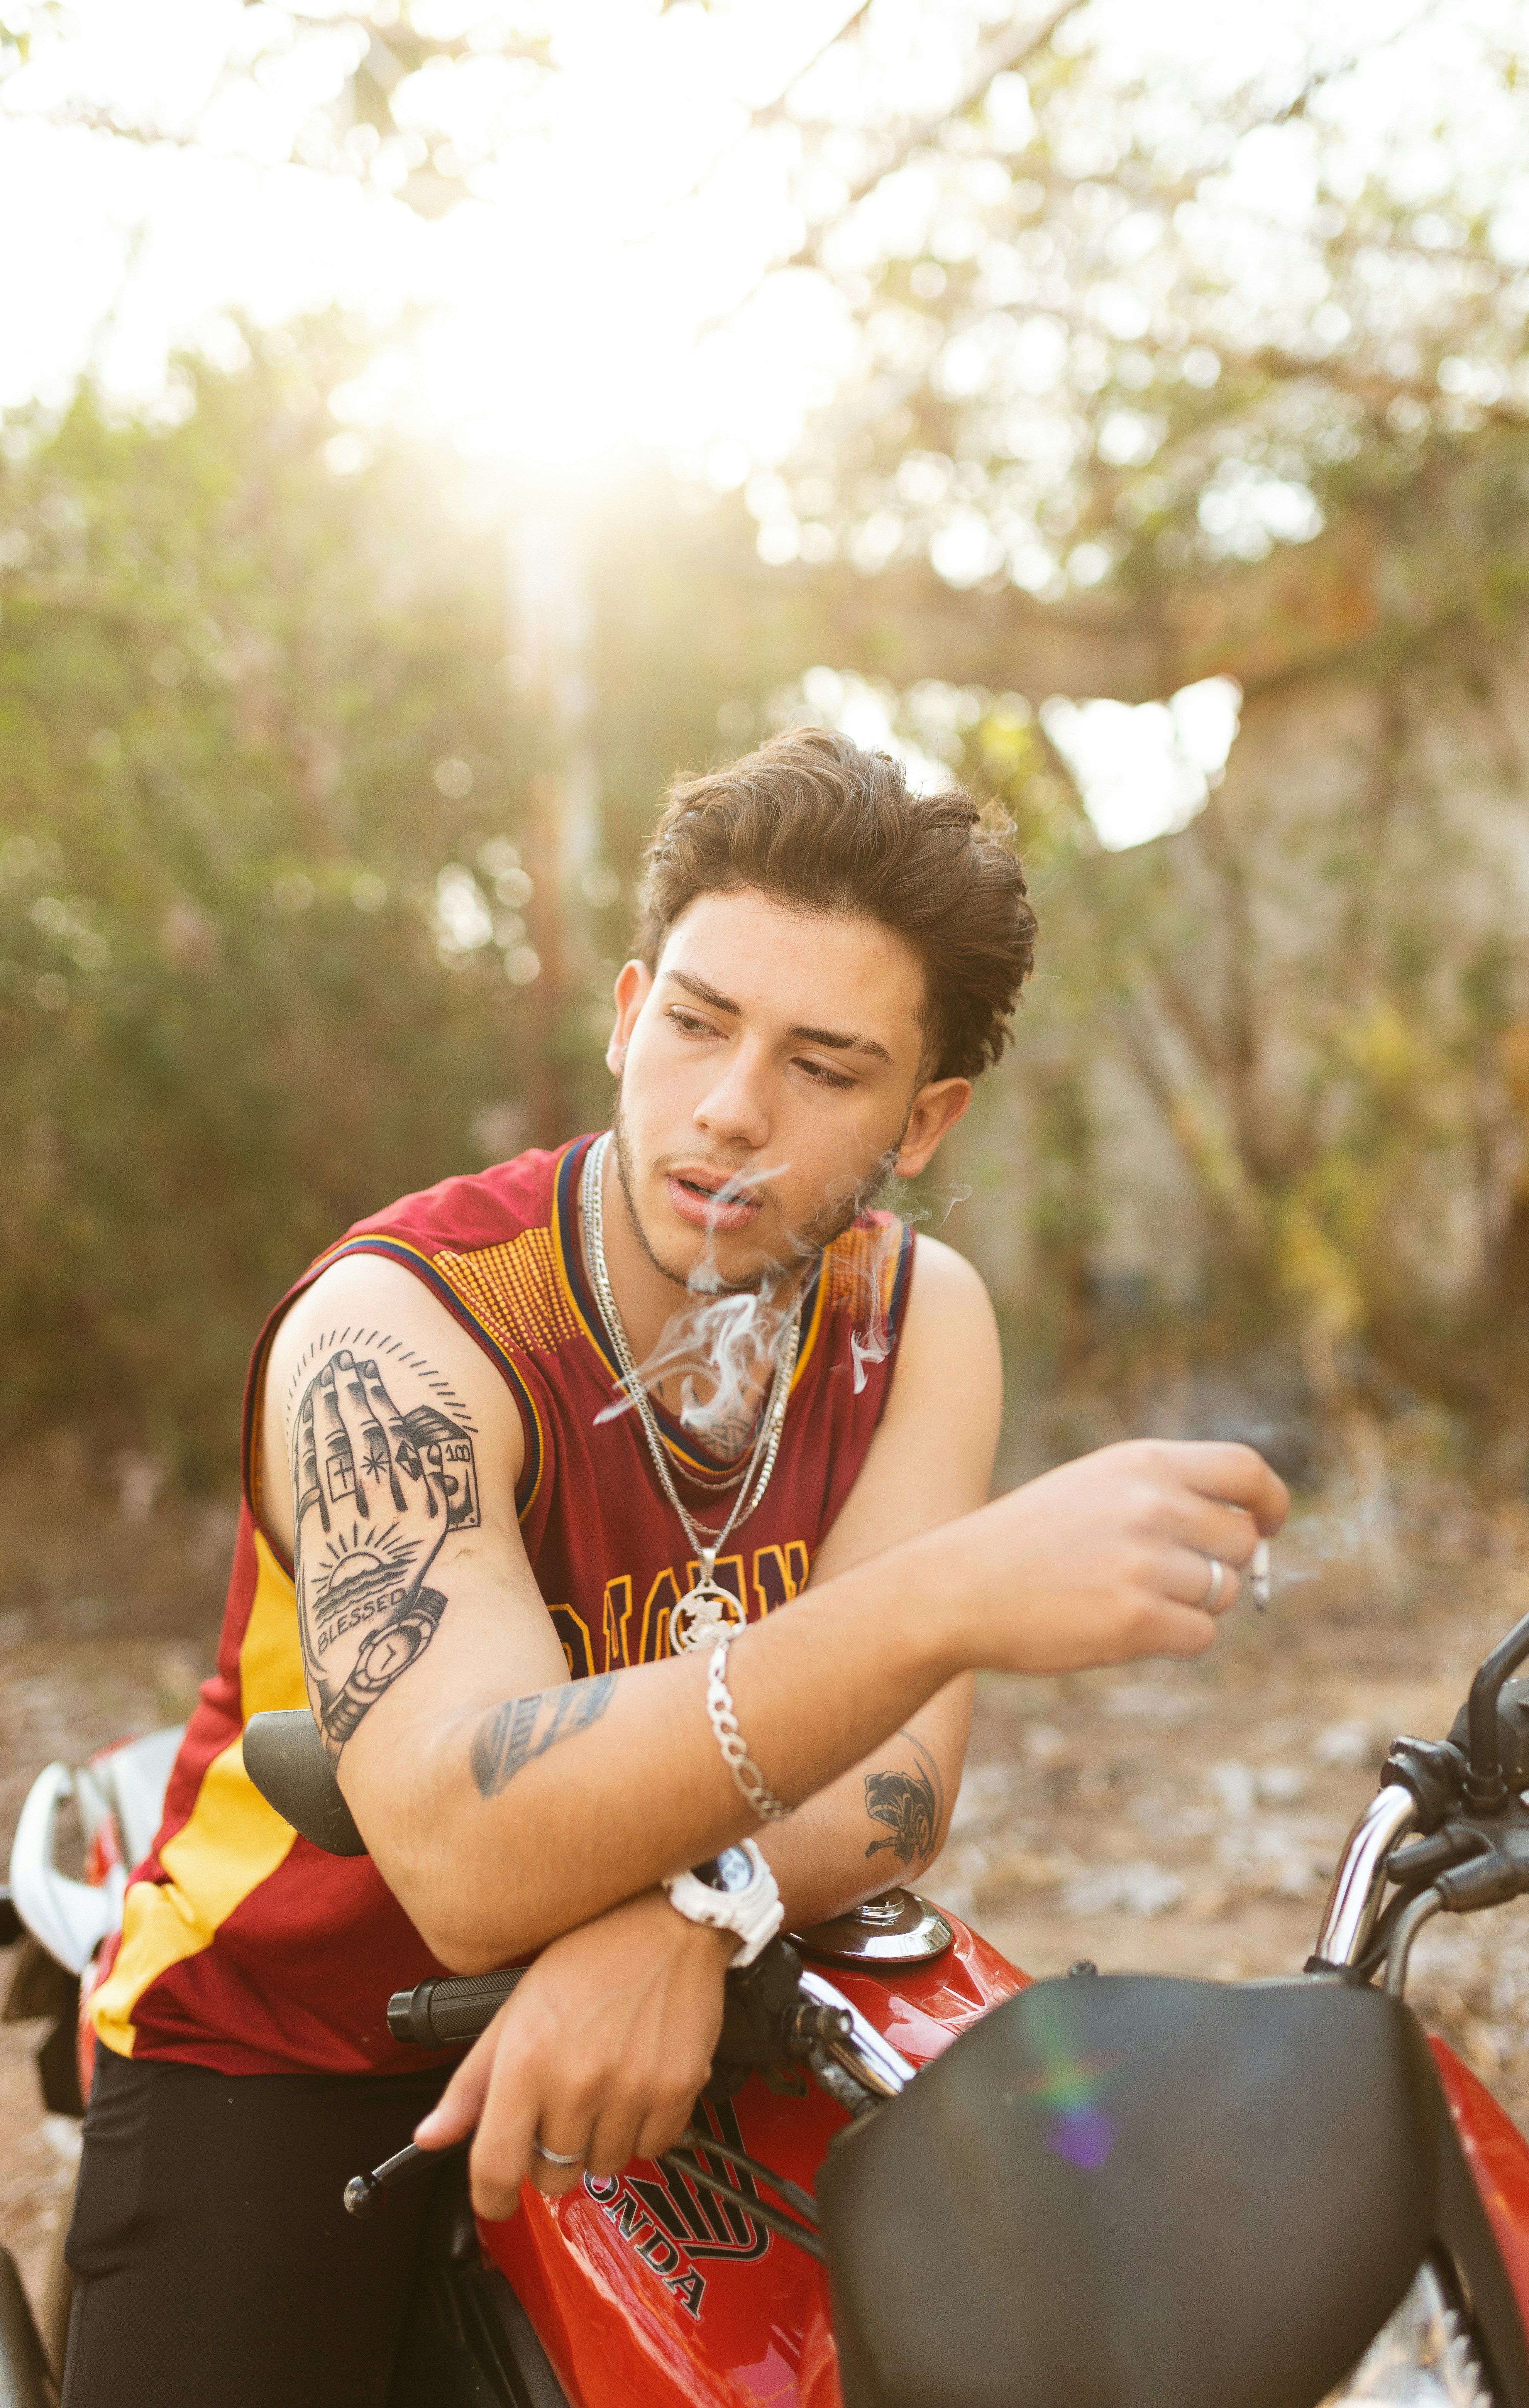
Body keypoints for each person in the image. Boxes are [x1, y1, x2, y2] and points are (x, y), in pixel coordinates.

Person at [61, 728, 1285, 2408]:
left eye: (824, 1066)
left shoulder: (913, 1319)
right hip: (304, 2022)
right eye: (699, 1024)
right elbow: (468, 1859)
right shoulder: (401, 1329)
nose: (728, 1108)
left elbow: (902, 1784)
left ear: (923, 1120)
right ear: (630, 1013)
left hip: (710, 1975)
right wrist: (953, 1593)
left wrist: (703, 1912)